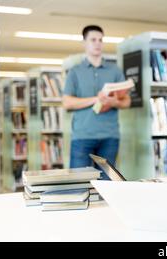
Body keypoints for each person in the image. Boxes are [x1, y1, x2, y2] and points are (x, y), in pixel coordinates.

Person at [62, 25, 131, 179]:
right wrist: (97, 99)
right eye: (93, 40)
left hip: (109, 136)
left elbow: (126, 102)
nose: (98, 43)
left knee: (108, 184)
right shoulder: (75, 71)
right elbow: (67, 102)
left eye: (100, 40)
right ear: (84, 43)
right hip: (82, 136)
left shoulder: (115, 71)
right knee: (79, 184)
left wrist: (112, 101)